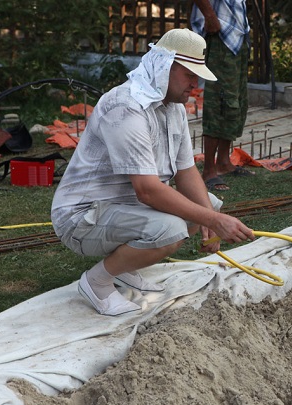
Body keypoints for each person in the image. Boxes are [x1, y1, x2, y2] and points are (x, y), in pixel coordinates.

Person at [51, 28, 255, 316]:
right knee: (171, 231)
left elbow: (185, 172)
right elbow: (147, 190)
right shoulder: (126, 107)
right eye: (189, 74)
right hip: (81, 217)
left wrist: (211, 217)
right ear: (165, 66)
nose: (195, 83)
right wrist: (213, 219)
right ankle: (97, 282)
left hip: (119, 207)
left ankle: (125, 265)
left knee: (207, 205)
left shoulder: (173, 108)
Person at [191, 0, 253, 192]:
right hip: (219, 30)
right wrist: (209, 16)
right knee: (218, 99)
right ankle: (209, 170)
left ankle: (224, 162)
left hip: (238, 30)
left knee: (235, 98)